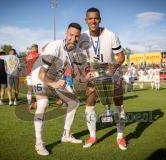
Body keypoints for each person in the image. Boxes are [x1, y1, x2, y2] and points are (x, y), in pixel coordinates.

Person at [31, 23, 92, 156]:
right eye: (71, 35)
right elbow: (42, 74)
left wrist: (86, 78)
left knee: (74, 102)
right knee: (43, 103)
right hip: (38, 75)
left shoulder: (76, 52)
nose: (73, 39)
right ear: (66, 33)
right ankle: (39, 143)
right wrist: (53, 84)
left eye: (76, 36)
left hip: (55, 77)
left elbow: (77, 77)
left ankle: (65, 135)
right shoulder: (55, 46)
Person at [79, 7, 127, 150]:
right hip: (94, 73)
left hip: (111, 72)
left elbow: (121, 56)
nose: (93, 21)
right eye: (90, 18)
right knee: (89, 104)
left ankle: (120, 137)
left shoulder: (111, 35)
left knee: (119, 103)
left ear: (100, 19)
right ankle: (93, 136)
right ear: (86, 20)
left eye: (96, 18)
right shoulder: (82, 37)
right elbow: (79, 58)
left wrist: (116, 65)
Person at [25, 44, 39, 109]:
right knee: (37, 89)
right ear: (35, 48)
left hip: (29, 74)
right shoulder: (37, 54)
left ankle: (29, 102)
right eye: (37, 48)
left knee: (30, 89)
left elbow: (26, 62)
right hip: (35, 74)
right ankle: (38, 102)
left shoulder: (28, 55)